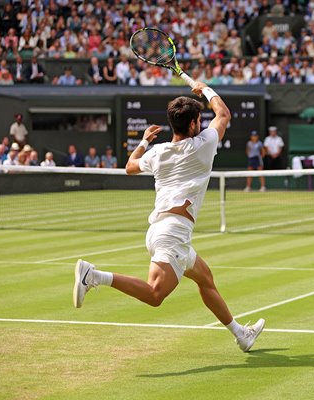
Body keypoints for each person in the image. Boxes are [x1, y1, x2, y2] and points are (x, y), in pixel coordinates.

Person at [73, 81, 265, 352]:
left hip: (164, 231)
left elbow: (129, 167)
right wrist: (205, 89)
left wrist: (143, 142)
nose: (201, 123)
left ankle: (241, 334)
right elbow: (223, 114)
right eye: (199, 119)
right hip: (172, 234)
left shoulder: (158, 152)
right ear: (192, 125)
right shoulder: (203, 145)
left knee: (205, 279)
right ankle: (94, 276)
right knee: (155, 295)